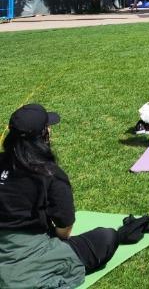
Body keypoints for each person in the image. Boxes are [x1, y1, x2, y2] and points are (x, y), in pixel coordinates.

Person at [0, 104, 127, 287]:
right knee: (106, 238)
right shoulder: (50, 173)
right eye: (48, 127)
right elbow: (64, 229)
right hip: (29, 252)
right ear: (44, 134)